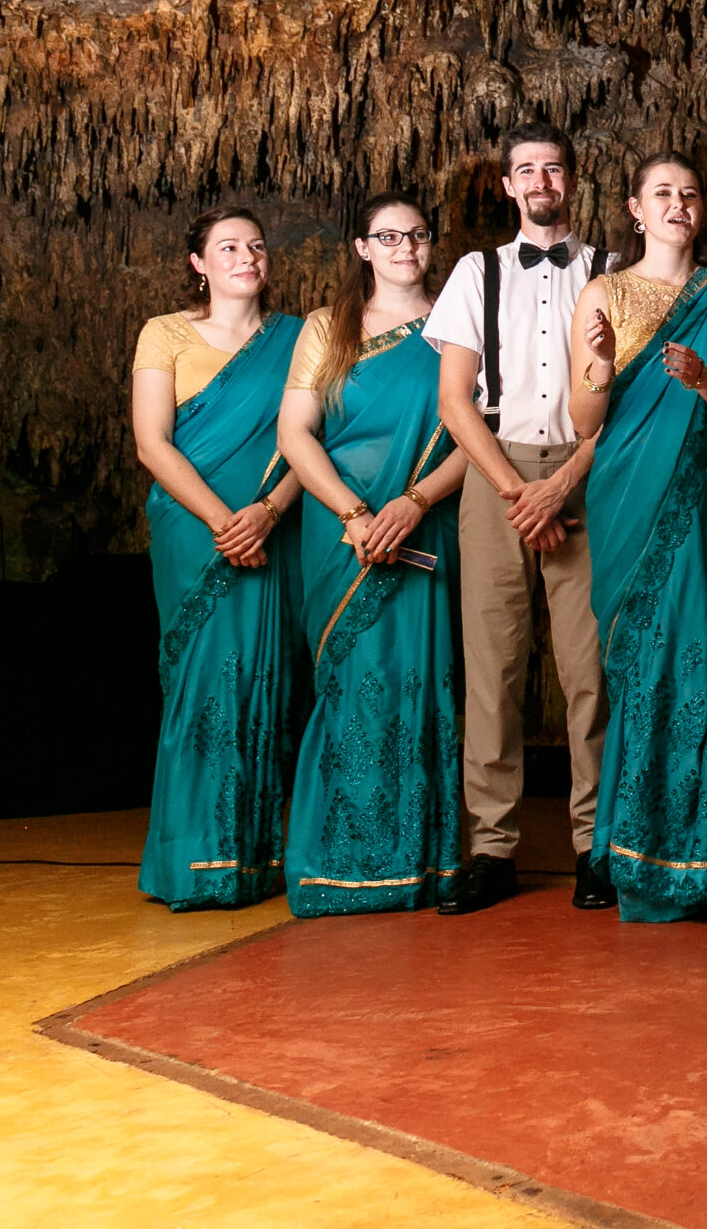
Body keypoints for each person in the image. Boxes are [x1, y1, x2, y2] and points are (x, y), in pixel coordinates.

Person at [569, 154, 707, 921]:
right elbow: (587, 421)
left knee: (703, 663)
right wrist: (593, 365)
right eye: (664, 193)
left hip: (703, 498)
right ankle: (637, 857)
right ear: (635, 209)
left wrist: (701, 380)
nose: (679, 203)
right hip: (627, 496)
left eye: (691, 192)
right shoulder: (606, 292)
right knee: (639, 669)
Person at [427, 121, 611, 916]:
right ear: (507, 186)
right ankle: (492, 847)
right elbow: (454, 400)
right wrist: (516, 493)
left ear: (571, 181)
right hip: (496, 473)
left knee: (587, 668)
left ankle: (594, 844)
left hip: (587, 472)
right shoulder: (477, 271)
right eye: (525, 169)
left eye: (554, 168)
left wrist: (564, 481)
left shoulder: (611, 271)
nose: (541, 180)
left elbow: (627, 397)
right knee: (493, 666)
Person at [276, 192, 471, 916]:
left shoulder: (459, 326)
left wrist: (414, 502)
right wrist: (355, 513)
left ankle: (423, 862)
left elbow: (475, 436)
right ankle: (342, 862)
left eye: (417, 234)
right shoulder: (326, 328)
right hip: (341, 531)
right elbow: (296, 432)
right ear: (361, 246)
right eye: (387, 235)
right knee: (351, 686)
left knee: (422, 684)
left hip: (425, 522)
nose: (404, 247)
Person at [130, 207, 303, 910]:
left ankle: (253, 858)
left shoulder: (298, 338)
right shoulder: (164, 333)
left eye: (256, 245)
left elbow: (310, 439)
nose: (246, 255)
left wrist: (269, 511)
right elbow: (152, 442)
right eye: (227, 246)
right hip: (193, 526)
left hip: (272, 522)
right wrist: (221, 518)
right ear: (198, 263)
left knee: (265, 679)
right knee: (202, 681)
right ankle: (191, 861)